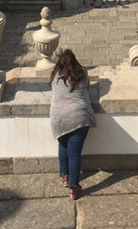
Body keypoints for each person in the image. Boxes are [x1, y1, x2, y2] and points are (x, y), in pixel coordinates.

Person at [49, 49, 96, 200]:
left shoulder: (55, 76)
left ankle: (66, 177)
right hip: (78, 117)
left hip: (58, 118)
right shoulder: (82, 74)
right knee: (74, 155)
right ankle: (73, 188)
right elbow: (87, 89)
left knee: (63, 147)